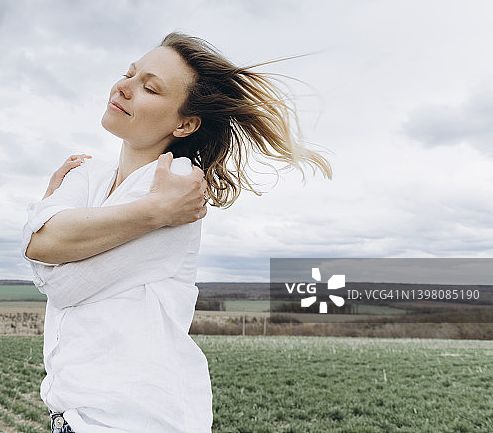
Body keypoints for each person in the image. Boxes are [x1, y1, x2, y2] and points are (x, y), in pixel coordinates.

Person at [21, 32, 331, 433]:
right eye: (129, 74)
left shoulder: (180, 187)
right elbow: (42, 244)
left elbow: (59, 282)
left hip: (136, 420)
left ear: (185, 123)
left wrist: (51, 225)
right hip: (73, 416)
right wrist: (152, 212)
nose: (123, 87)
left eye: (150, 88)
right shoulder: (89, 174)